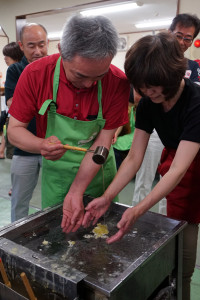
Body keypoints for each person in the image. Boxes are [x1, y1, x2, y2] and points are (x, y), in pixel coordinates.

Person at [83, 32, 200, 300]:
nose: (146, 92)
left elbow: (180, 169)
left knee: (188, 238)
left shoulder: (195, 102)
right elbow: (135, 158)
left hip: (192, 161)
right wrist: (107, 196)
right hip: (179, 161)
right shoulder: (148, 104)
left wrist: (138, 210)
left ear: (171, 75)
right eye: (141, 86)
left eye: (153, 86)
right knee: (182, 250)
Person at [7, 16, 130, 231]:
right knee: (56, 235)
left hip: (98, 171)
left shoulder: (117, 82)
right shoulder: (36, 74)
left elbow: (103, 141)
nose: (89, 84)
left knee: (100, 237)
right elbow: (15, 131)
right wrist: (40, 145)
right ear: (62, 50)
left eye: (98, 77)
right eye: (80, 75)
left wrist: (77, 190)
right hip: (57, 175)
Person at [133, 13, 200, 212]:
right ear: (169, 33)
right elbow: (139, 97)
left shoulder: (193, 66)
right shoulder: (152, 57)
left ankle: (165, 218)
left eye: (188, 38)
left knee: (173, 177)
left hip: (183, 131)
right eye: (178, 35)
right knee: (145, 170)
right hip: (156, 126)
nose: (182, 41)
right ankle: (138, 207)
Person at [5, 23, 49, 221]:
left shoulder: (55, 69)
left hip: (53, 147)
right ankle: (13, 246)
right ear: (21, 46)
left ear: (47, 43)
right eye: (31, 46)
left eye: (41, 44)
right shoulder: (15, 70)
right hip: (24, 148)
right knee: (20, 202)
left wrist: (29, 102)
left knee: (54, 201)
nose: (38, 51)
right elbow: (13, 105)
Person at [0, 42, 24, 159]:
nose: (5, 58)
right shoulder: (18, 69)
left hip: (19, 116)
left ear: (14, 55)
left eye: (7, 55)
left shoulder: (15, 69)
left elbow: (11, 101)